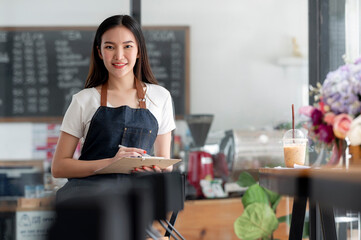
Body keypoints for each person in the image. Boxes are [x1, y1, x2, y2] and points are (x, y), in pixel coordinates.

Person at [52, 15, 176, 202]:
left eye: (127, 46)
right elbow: (59, 167)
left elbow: (166, 163)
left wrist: (154, 167)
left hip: (135, 202)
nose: (119, 56)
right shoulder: (83, 100)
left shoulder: (160, 97)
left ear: (139, 51)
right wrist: (111, 163)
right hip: (87, 204)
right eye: (110, 47)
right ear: (100, 52)